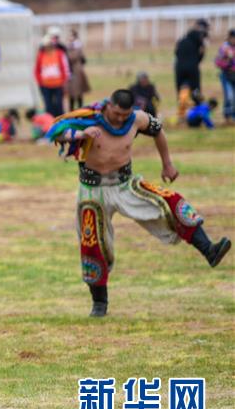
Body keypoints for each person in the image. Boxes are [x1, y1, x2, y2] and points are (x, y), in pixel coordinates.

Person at [46, 89, 230, 317]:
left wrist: (167, 164)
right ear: (109, 106)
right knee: (92, 242)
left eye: (125, 115)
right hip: (92, 190)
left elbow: (158, 131)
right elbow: (55, 132)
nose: (121, 119)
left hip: (125, 184)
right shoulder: (89, 118)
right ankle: (99, 304)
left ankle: (209, 250)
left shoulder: (138, 119)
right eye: (117, 113)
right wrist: (79, 136)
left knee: (170, 201)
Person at [174, 19, 209, 119]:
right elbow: (201, 54)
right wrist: (196, 60)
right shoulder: (199, 41)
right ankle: (198, 114)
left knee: (180, 90)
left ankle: (181, 114)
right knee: (195, 91)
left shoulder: (181, 41)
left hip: (179, 68)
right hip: (193, 69)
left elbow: (176, 53)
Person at [35, 36, 70, 117]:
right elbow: (37, 69)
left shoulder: (59, 54)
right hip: (45, 85)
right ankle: (50, 123)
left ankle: (60, 122)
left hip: (58, 84)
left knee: (59, 105)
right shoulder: (41, 55)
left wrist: (65, 82)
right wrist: (40, 82)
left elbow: (65, 68)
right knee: (48, 106)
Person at [214, 29, 235, 124]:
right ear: (230, 38)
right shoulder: (224, 48)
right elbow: (217, 61)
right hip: (226, 75)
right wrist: (227, 63)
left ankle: (233, 117)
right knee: (229, 96)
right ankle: (227, 117)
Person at [66, 30, 90, 110]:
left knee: (78, 92)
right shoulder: (70, 47)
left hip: (76, 71)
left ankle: (79, 109)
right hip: (71, 71)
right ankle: (71, 109)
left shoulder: (76, 47)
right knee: (71, 93)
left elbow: (73, 57)